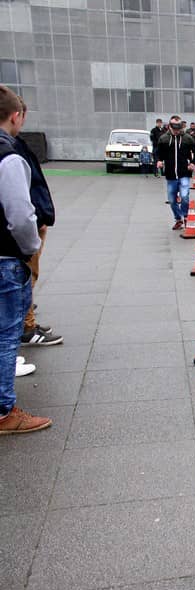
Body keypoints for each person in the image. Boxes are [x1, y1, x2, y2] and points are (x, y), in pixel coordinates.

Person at [0, 85, 51, 434]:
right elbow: (19, 214)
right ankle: (4, 411)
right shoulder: (8, 156)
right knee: (6, 334)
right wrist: (30, 247)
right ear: (16, 116)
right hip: (5, 255)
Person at [13, 99, 63, 348]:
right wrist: (35, 227)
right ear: (16, 116)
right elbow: (18, 201)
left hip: (26, 225)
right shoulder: (11, 150)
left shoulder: (13, 145)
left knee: (24, 278)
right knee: (24, 276)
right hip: (22, 230)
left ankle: (25, 322)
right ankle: (26, 327)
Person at [156, 115, 195, 230]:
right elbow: (158, 153)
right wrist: (159, 161)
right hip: (170, 174)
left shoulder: (187, 138)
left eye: (178, 128)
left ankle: (185, 217)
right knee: (172, 200)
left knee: (185, 196)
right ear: (169, 127)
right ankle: (178, 219)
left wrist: (193, 163)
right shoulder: (163, 139)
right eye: (174, 128)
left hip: (184, 173)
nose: (176, 131)